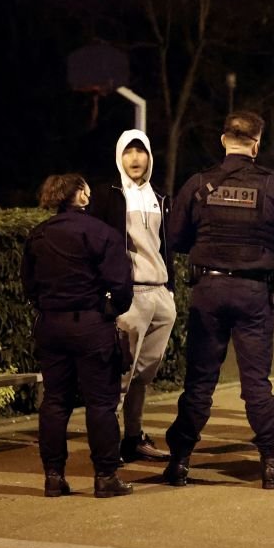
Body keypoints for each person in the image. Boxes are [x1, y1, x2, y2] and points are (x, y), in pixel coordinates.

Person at [164, 111, 274, 490]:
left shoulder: (198, 183)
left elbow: (175, 238)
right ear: (256, 144)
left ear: (223, 140)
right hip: (254, 292)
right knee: (256, 383)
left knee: (200, 382)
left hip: (208, 291)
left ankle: (179, 460)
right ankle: (272, 463)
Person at [21, 173, 134, 498]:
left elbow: (29, 285)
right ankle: (105, 476)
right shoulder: (101, 233)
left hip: (51, 326)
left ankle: (54, 476)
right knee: (101, 403)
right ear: (82, 195)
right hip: (91, 325)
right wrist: (108, 311)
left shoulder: (38, 235)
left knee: (55, 402)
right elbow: (121, 286)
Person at [89, 129, 175, 463]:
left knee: (144, 374)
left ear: (150, 157)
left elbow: (166, 246)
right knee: (119, 375)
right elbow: (94, 246)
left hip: (160, 295)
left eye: (141, 152)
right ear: (118, 157)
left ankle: (133, 438)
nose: (135, 158)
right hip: (129, 296)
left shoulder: (161, 197)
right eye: (128, 152)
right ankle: (108, 447)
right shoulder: (107, 196)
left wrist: (170, 290)